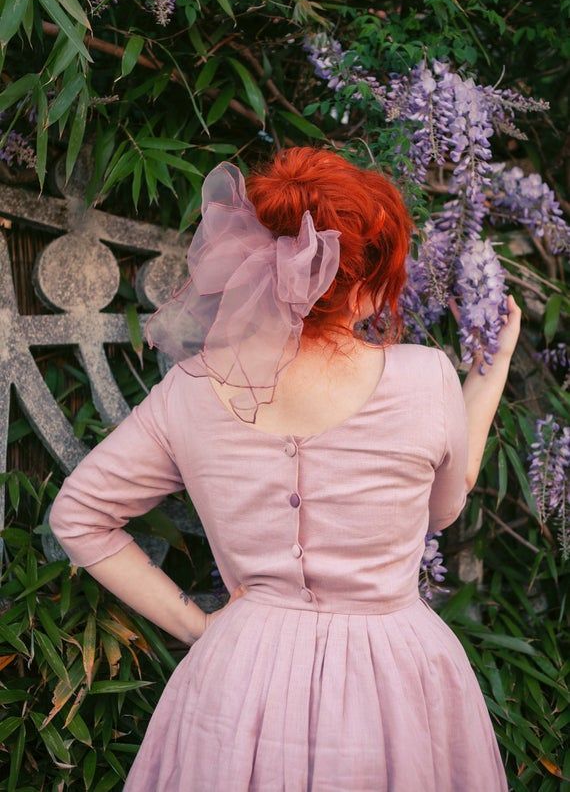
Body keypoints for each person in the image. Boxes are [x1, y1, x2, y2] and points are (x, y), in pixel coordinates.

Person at [48, 147, 520, 791]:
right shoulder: (425, 377)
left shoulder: (192, 388)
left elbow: (79, 516)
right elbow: (443, 509)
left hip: (239, 679)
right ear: (363, 275)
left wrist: (196, 623)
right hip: (395, 681)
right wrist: (488, 370)